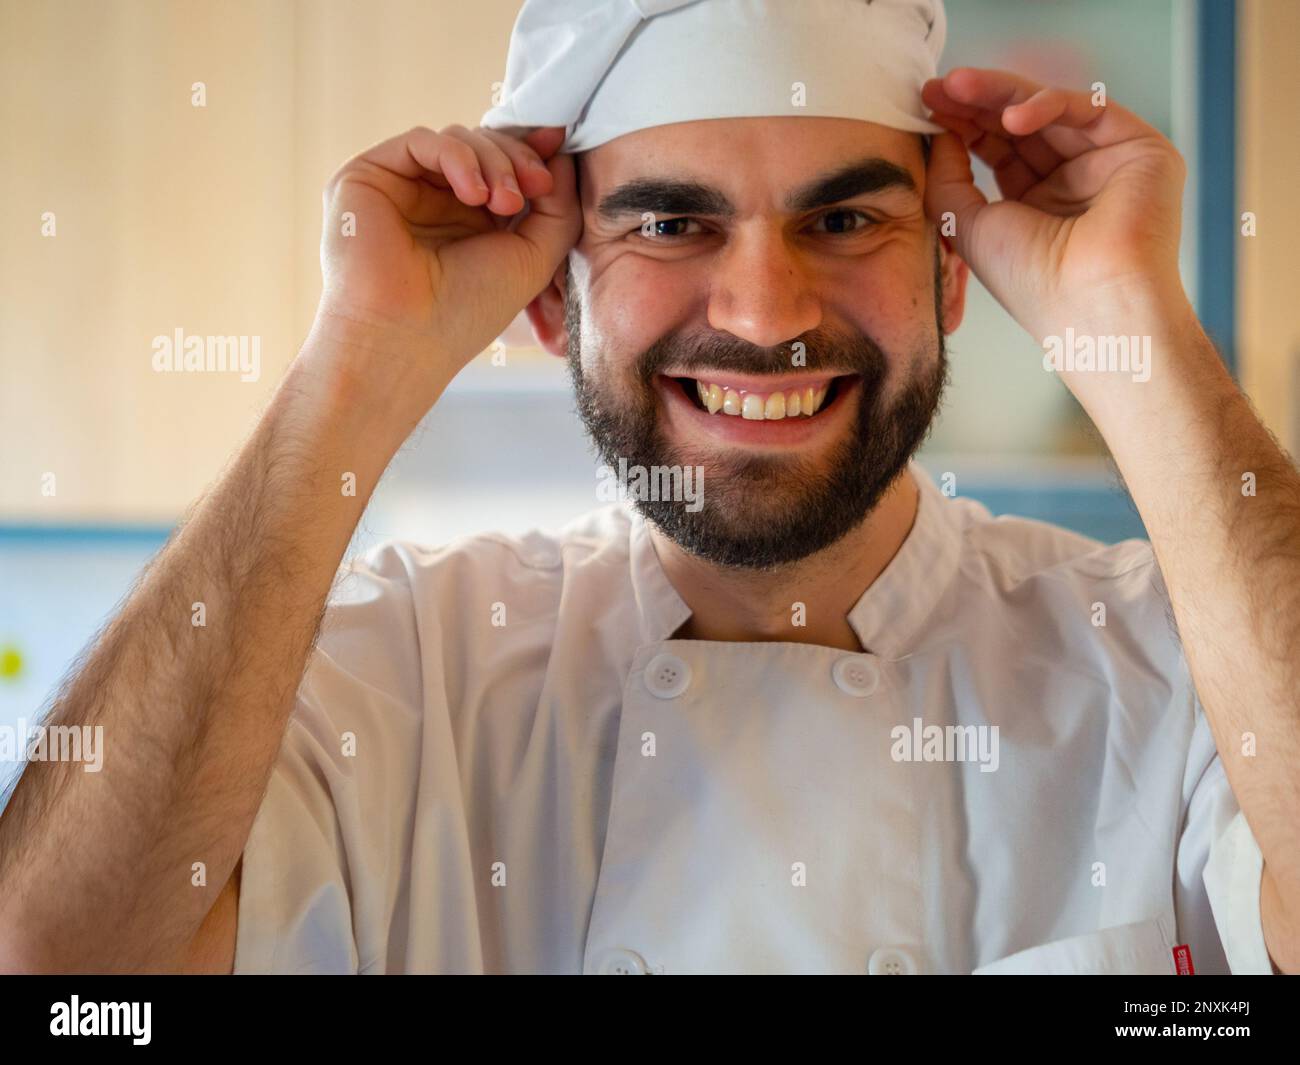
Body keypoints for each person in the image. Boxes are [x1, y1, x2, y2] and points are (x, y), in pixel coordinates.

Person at [0, 0, 1296, 975]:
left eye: (845, 220)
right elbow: (60, 974)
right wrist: (354, 362)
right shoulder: (393, 681)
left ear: (950, 273)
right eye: (671, 224)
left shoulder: (1171, 668)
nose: (765, 311)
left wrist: (1131, 321)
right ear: (549, 301)